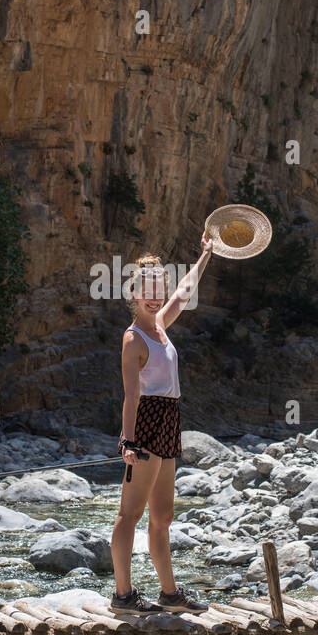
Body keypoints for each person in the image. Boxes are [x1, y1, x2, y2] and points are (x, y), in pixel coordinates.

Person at [109, 235, 213, 614]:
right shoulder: (133, 338)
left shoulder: (162, 327)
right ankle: (123, 596)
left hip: (170, 421)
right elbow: (131, 395)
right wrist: (129, 440)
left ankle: (169, 594)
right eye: (146, 292)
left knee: (163, 516)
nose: (154, 298)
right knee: (129, 515)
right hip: (148, 422)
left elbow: (186, 291)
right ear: (134, 294)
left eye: (159, 291)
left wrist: (205, 253)